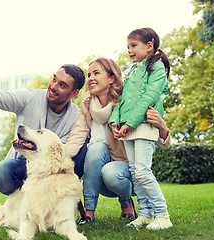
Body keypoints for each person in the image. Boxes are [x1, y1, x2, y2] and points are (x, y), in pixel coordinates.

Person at [0, 35, 87, 196]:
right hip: (23, 166)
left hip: (52, 174)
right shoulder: (30, 98)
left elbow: (64, 155)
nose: (53, 86)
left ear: (74, 93)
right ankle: (25, 203)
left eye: (62, 85)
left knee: (83, 149)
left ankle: (59, 201)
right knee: (1, 172)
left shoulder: (76, 117)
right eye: (54, 79)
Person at [66, 57, 171, 225]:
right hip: (98, 175)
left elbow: (158, 141)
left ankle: (127, 205)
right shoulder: (87, 106)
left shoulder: (127, 101)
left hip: (129, 173)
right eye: (89, 74)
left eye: (96, 73)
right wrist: (61, 155)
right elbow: (77, 136)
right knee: (95, 148)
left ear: (111, 78)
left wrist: (162, 126)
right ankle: (88, 214)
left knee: (111, 171)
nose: (91, 78)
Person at [108, 28, 173, 230]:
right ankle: (145, 214)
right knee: (135, 173)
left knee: (143, 172)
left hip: (144, 125)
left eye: (133, 45)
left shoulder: (157, 68)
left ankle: (162, 215)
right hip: (130, 127)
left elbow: (148, 98)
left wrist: (130, 123)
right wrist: (115, 122)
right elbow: (121, 100)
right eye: (128, 46)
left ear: (149, 45)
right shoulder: (133, 70)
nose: (129, 50)